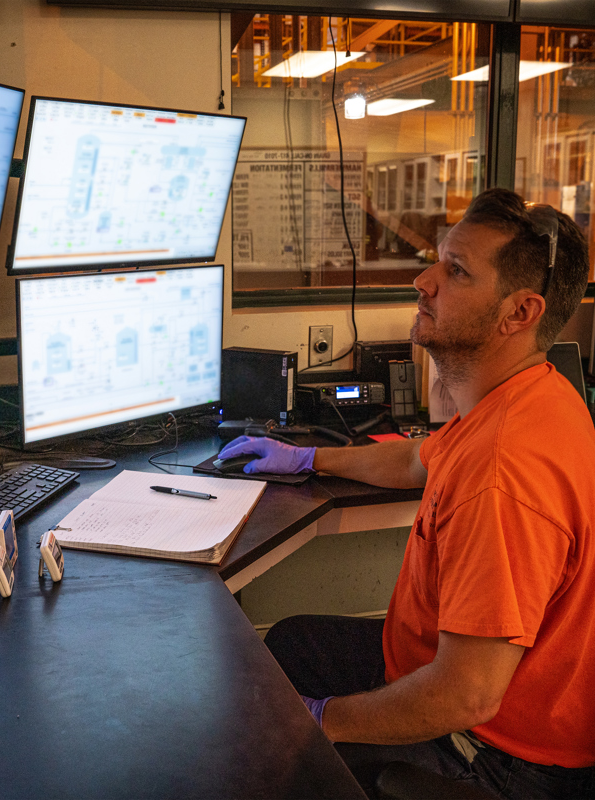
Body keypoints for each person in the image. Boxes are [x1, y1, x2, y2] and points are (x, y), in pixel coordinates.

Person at [217, 188, 595, 799]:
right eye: (437, 260)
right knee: (289, 644)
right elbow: (420, 459)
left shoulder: (503, 473)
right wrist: (307, 456)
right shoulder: (533, 397)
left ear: (519, 313)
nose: (423, 280)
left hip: (500, 755)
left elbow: (466, 694)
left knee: (274, 748)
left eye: (456, 271)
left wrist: (321, 723)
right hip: (448, 676)